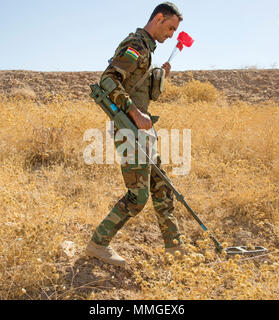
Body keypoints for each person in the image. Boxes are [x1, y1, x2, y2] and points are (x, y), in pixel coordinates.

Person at [86, 2, 186, 267]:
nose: (171, 35)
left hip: (143, 129)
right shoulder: (136, 44)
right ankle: (98, 243)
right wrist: (133, 111)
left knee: (161, 186)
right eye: (170, 27)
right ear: (159, 18)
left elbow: (148, 94)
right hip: (129, 128)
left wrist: (160, 77)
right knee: (138, 196)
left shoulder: (149, 51)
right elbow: (109, 79)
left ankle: (175, 248)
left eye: (176, 31)